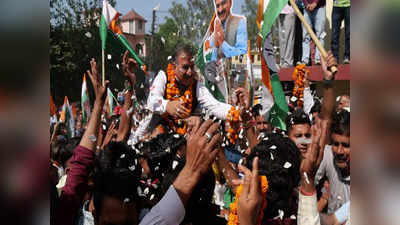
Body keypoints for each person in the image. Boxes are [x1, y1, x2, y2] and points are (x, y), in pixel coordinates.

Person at [147, 45, 249, 134]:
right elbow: (151, 101)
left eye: (192, 67)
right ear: (174, 66)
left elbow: (215, 106)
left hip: (182, 142)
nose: (190, 72)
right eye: (185, 67)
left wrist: (237, 111)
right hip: (158, 138)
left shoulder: (197, 85)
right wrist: (167, 105)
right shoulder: (163, 76)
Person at [300, 0, 326, 65]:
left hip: (320, 7)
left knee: (320, 35)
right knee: (305, 35)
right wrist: (306, 4)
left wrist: (315, 3)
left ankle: (318, 59)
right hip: (307, 8)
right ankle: (305, 60)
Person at [278, 3, 296, 68]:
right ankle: (282, 61)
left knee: (289, 37)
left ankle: (288, 62)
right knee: (281, 38)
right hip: (279, 10)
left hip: (290, 10)